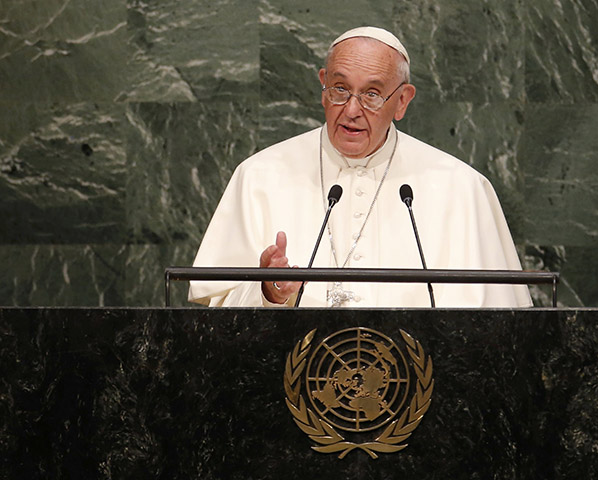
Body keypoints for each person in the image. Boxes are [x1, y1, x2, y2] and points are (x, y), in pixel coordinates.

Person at [188, 26, 533, 308]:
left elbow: (496, 327)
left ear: (402, 101)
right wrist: (268, 293)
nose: (352, 109)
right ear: (323, 87)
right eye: (340, 89)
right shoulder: (259, 176)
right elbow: (213, 311)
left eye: (372, 94)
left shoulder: (461, 187)